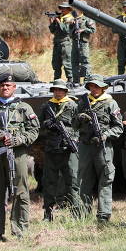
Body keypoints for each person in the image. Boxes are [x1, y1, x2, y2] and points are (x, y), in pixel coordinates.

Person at [0, 74, 40, 245]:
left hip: (17, 155)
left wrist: (18, 139)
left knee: (21, 191)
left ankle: (20, 230)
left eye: (8, 85)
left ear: (14, 88)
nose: (5, 88)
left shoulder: (24, 108)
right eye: (2, 85)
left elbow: (34, 131)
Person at [73, 74, 123, 223]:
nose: (94, 89)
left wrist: (105, 135)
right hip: (85, 146)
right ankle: (83, 212)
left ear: (103, 88)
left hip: (103, 147)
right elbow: (73, 125)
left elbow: (119, 127)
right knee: (83, 180)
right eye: (91, 86)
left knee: (106, 179)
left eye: (97, 86)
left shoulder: (110, 103)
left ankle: (103, 215)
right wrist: (79, 118)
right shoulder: (82, 103)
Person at [38, 79, 81, 221]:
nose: (58, 92)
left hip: (68, 149)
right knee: (49, 182)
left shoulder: (73, 105)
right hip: (51, 149)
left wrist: (73, 138)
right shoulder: (47, 106)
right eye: (56, 90)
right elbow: (39, 127)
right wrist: (48, 124)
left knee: (72, 182)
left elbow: (79, 126)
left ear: (65, 91)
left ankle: (76, 213)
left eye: (61, 90)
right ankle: (48, 214)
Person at [48, 3, 75, 84]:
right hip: (57, 43)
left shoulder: (70, 18)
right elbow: (53, 31)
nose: (62, 10)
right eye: (61, 8)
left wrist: (59, 22)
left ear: (68, 9)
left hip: (65, 43)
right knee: (56, 62)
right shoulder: (60, 18)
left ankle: (70, 79)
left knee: (67, 62)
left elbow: (66, 30)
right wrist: (51, 22)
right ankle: (57, 79)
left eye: (64, 8)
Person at [71, 11, 96, 84]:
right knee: (74, 62)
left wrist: (84, 30)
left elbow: (93, 30)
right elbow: (69, 32)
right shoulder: (74, 19)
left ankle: (87, 80)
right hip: (75, 42)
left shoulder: (87, 19)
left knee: (85, 61)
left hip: (83, 43)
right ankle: (76, 81)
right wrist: (72, 25)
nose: (76, 11)